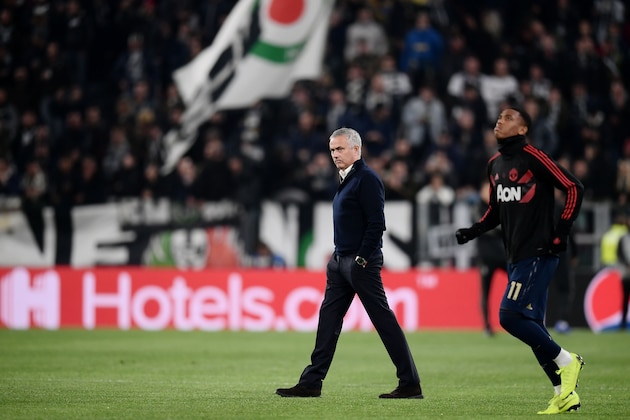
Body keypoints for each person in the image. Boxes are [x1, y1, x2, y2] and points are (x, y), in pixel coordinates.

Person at [276, 127, 423, 399]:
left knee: (383, 320)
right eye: (332, 150)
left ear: (357, 149)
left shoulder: (366, 178)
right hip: (339, 261)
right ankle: (311, 382)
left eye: (340, 148)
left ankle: (410, 383)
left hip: (360, 262)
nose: (335, 154)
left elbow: (377, 223)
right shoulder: (347, 178)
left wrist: (361, 258)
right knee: (328, 319)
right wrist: (339, 258)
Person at [455, 108, 585, 415]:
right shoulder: (495, 165)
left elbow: (573, 187)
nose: (500, 119)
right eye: (499, 116)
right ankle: (563, 394)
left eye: (509, 116)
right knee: (534, 327)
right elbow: (496, 211)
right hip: (515, 256)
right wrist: (473, 231)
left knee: (509, 316)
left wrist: (561, 232)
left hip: (539, 253)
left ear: (523, 127)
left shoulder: (533, 157)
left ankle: (568, 361)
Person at [474, 180, 506, 337]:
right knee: (486, 291)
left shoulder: (499, 207)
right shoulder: (477, 209)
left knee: (519, 283)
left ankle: (523, 320)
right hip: (486, 257)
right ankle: (487, 326)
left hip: (503, 254)